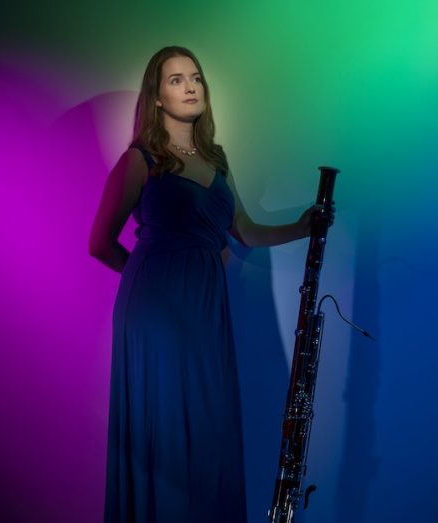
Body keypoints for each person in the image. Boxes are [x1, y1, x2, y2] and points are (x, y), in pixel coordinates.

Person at [88, 45, 331, 522]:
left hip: (204, 309)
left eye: (195, 77)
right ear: (157, 97)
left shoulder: (217, 162)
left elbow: (244, 230)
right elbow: (100, 242)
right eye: (175, 79)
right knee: (163, 423)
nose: (190, 87)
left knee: (206, 423)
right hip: (154, 312)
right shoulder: (140, 160)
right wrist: (154, 280)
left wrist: (302, 228)